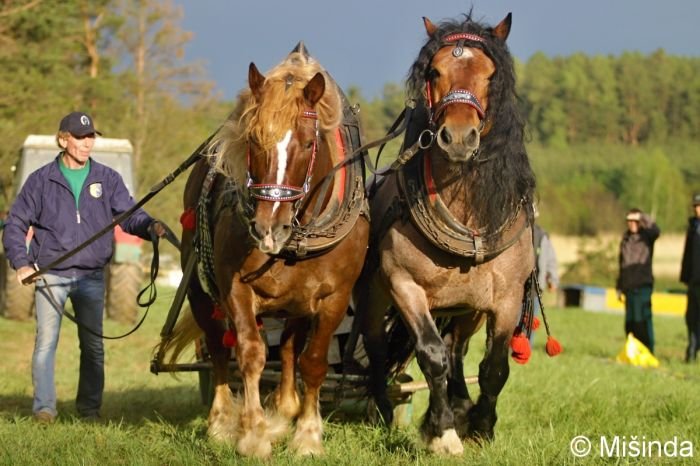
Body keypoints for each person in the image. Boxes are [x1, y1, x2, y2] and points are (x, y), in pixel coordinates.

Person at [2, 111, 165, 423]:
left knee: (93, 348)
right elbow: (15, 224)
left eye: (90, 136)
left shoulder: (108, 178)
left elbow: (129, 214)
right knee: (45, 344)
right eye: (80, 137)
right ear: (63, 140)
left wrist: (149, 226)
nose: (87, 142)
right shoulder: (40, 181)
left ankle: (89, 410)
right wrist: (21, 263)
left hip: (91, 276)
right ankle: (44, 409)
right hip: (51, 275)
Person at [616, 208, 660, 354]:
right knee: (630, 322)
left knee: (643, 320)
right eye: (629, 221)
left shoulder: (647, 237)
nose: (632, 224)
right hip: (628, 286)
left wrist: (642, 216)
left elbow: (656, 231)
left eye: (635, 221)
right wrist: (619, 286)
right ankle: (632, 351)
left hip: (643, 285)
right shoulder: (625, 239)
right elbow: (621, 264)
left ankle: (648, 351)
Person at [530, 219, 559, 345]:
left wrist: (552, 279)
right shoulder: (513, 231)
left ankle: (526, 349)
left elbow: (550, 260)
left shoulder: (541, 235)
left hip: (535, 287)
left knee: (531, 322)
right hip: (516, 288)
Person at [680, 193, 700, 362]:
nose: (697, 209)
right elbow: (687, 254)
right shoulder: (692, 227)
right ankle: (692, 350)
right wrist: (685, 277)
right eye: (695, 206)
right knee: (691, 317)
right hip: (693, 281)